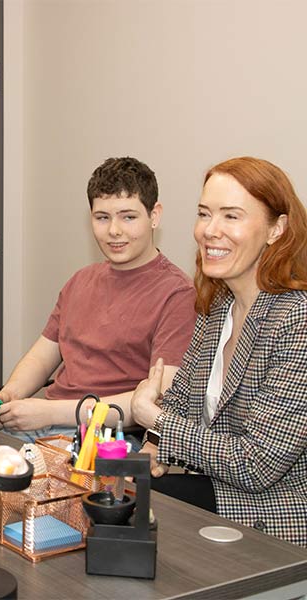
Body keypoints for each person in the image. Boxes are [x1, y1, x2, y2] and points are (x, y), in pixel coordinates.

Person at [131, 157, 307, 547]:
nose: (210, 231)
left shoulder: (297, 320)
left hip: (278, 509)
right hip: (219, 489)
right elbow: (177, 403)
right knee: (108, 497)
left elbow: (257, 464)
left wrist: (154, 419)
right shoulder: (217, 308)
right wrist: (149, 451)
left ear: (276, 229)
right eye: (204, 213)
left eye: (231, 216)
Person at [0, 157, 196, 441]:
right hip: (44, 423)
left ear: (154, 216)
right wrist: (10, 394)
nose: (114, 230)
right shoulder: (80, 280)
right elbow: (42, 357)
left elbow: (155, 403)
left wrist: (50, 412)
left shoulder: (177, 294)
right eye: (102, 217)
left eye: (128, 217)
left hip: (107, 437)